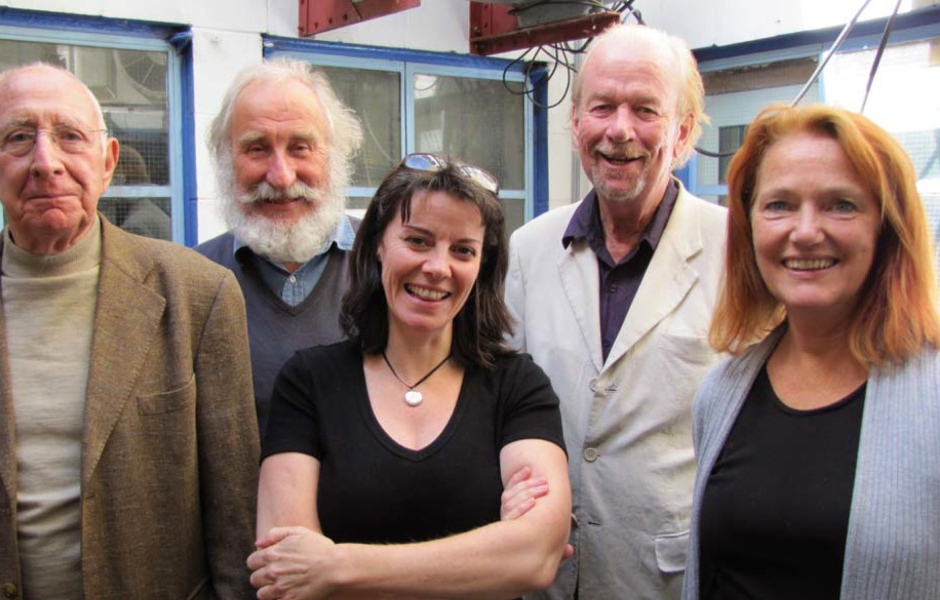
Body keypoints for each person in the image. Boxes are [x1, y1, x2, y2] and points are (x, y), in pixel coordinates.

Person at [0, 63, 259, 598]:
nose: (45, 162)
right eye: (18, 138)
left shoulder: (197, 295)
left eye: (70, 137)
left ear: (108, 162)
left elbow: (235, 510)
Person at [248, 154, 571, 599]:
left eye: (463, 250)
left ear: (482, 267)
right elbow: (285, 576)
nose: (439, 267)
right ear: (377, 244)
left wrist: (336, 564)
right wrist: (489, 552)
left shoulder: (517, 386)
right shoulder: (308, 383)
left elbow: (534, 558)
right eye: (418, 241)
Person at [505, 24, 727, 599]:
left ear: (681, 134)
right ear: (576, 123)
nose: (619, 131)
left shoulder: (740, 252)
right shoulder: (530, 249)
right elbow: (499, 398)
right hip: (546, 573)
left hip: (666, 576)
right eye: (602, 107)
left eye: (646, 110)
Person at [684, 104, 940, 600]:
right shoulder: (722, 394)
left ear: (886, 227)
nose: (804, 231)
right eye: (779, 205)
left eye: (840, 204)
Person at [196, 58, 363, 434]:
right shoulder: (190, 282)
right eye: (257, 148)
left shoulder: (391, 263)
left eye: (300, 147)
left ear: (334, 157)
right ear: (226, 160)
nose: (282, 176)